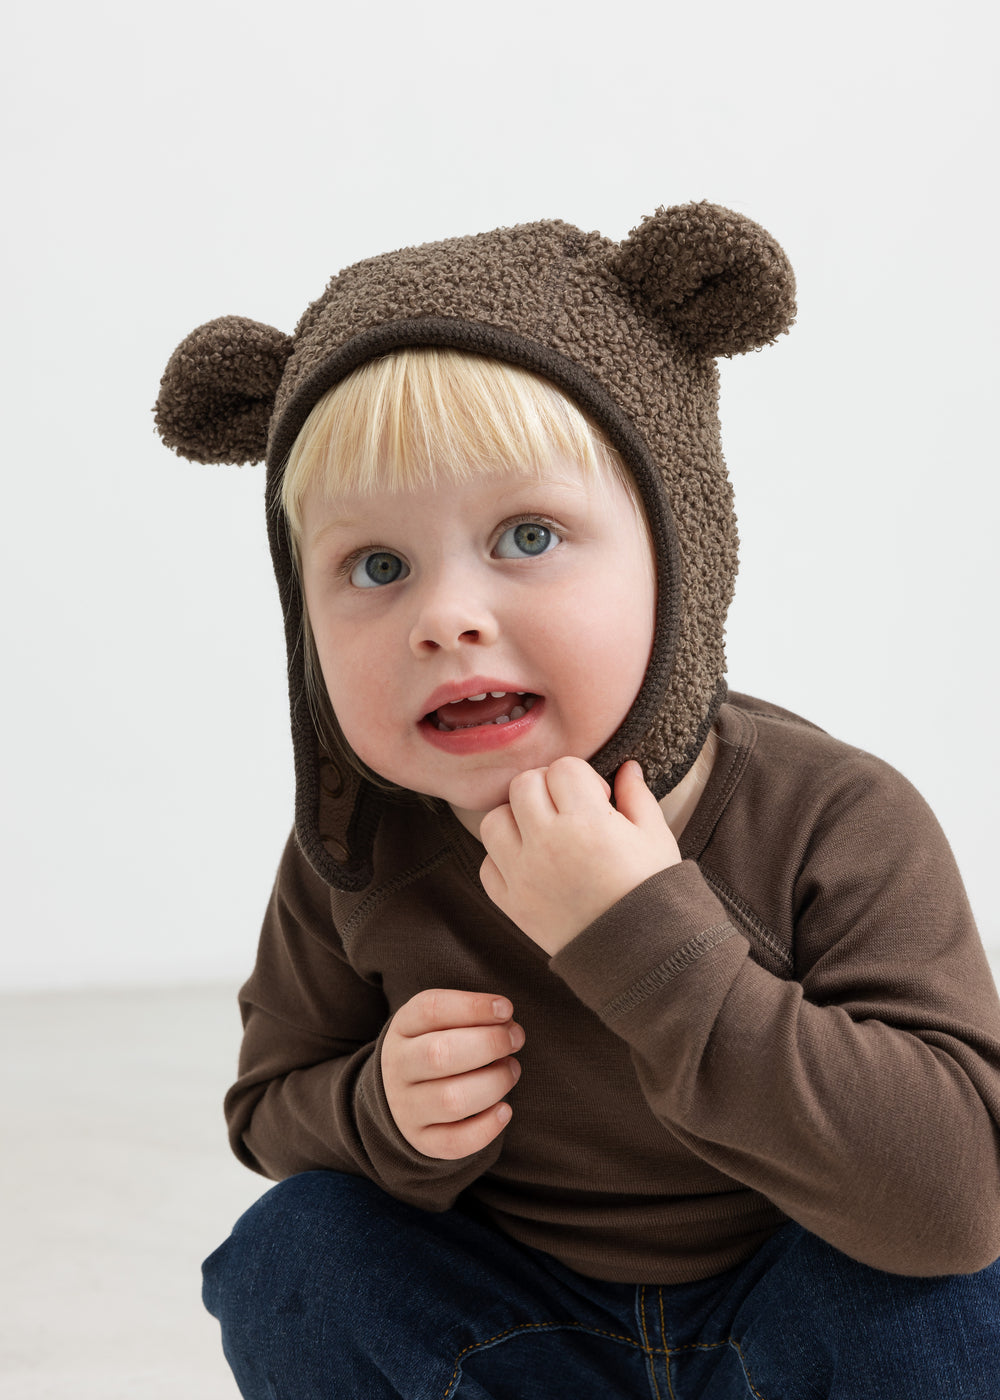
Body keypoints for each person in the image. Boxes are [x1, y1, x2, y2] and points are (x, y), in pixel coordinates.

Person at [155, 203, 1000, 1399]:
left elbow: (958, 1197)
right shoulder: (359, 845)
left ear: (679, 551)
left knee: (952, 1294)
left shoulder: (835, 816)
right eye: (376, 566)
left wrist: (643, 932)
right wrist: (376, 1107)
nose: (445, 617)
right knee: (295, 1253)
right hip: (520, 1332)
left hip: (796, 1321)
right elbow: (268, 1108)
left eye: (528, 534)